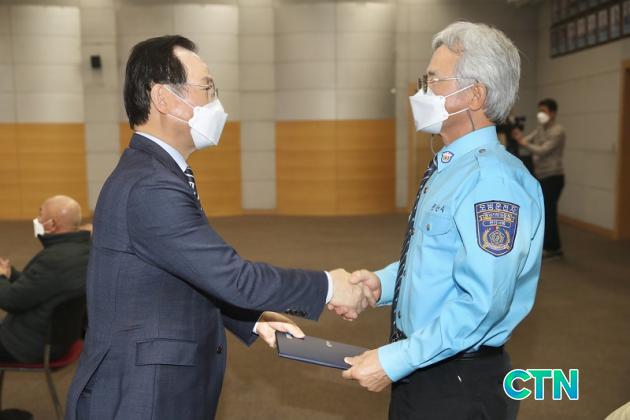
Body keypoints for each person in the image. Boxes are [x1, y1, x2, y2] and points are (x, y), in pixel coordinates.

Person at [65, 36, 368, 420]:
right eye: (207, 89)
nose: (216, 103)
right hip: (142, 393)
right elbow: (233, 277)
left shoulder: (155, 172)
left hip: (152, 382)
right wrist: (328, 286)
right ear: (163, 98)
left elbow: (186, 273)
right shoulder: (151, 185)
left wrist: (251, 318)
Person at [334, 22, 545, 420]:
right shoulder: (452, 166)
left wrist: (397, 359)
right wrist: (382, 283)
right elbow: (439, 260)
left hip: (457, 384)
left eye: (433, 81)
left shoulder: (492, 182)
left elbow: (482, 303)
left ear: (475, 95)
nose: (422, 92)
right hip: (426, 363)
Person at [0, 195, 89, 363]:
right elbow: (38, 287)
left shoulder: (54, 259)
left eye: (41, 214)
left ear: (52, 225)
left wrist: (1, 277)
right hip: (61, 337)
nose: (37, 220)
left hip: (29, 344)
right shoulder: (85, 250)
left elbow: (10, 301)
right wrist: (11, 274)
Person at [514, 98, 566, 259]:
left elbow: (542, 150)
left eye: (543, 111)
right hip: (542, 176)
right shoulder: (540, 128)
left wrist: (522, 142)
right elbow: (526, 140)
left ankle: (554, 248)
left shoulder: (558, 131)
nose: (540, 114)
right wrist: (519, 136)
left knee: (549, 212)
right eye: (539, 111)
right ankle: (549, 245)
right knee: (545, 212)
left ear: (553, 113)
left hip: (553, 176)